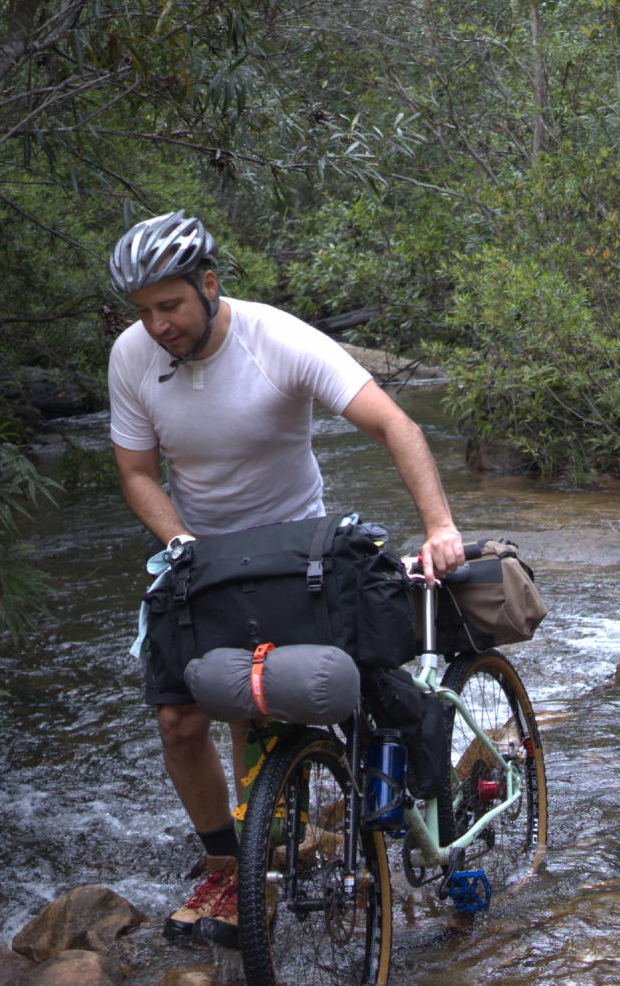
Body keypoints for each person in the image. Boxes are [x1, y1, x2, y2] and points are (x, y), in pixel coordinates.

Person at [106, 211, 467, 946]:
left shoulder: (279, 340)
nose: (158, 325)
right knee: (178, 718)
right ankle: (226, 868)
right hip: (200, 555)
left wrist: (439, 526)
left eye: (170, 305)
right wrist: (178, 543)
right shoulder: (132, 358)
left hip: (296, 552)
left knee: (261, 710)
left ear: (209, 285)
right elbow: (138, 474)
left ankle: (283, 844)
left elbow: (395, 425)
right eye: (143, 312)